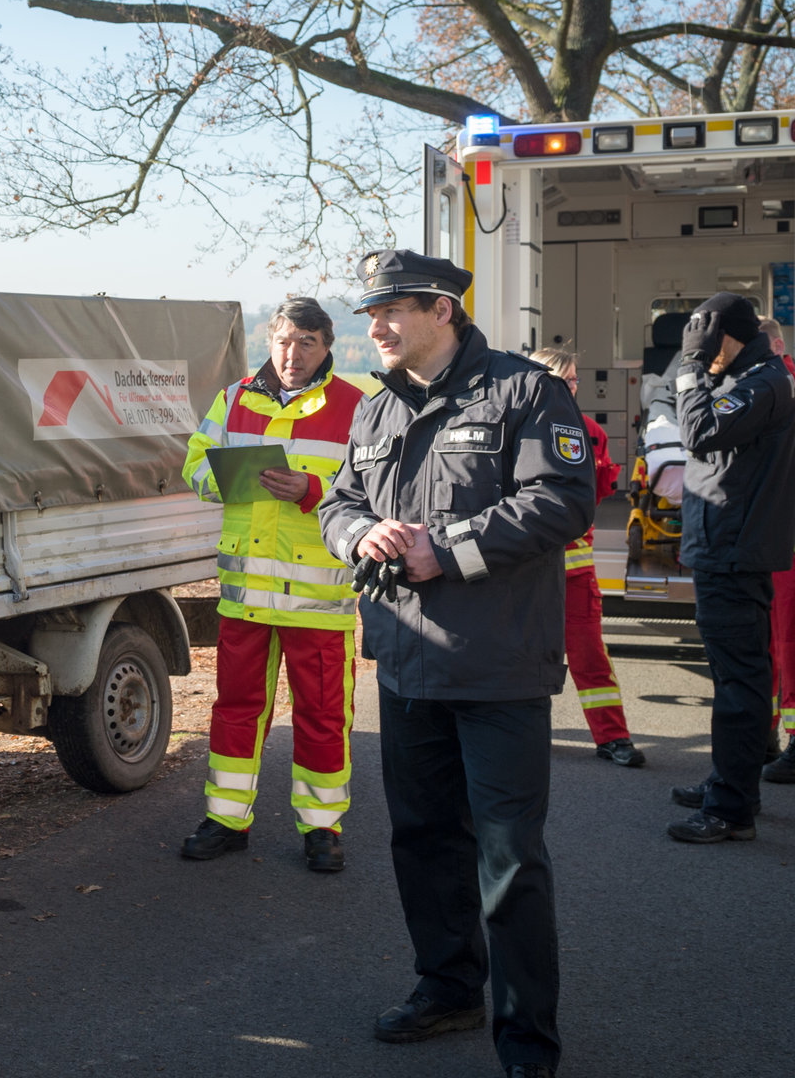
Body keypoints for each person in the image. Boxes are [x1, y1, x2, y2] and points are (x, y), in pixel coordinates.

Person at [318, 249, 593, 1078]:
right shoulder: (376, 409)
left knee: (508, 861)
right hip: (404, 665)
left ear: (442, 309)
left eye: (391, 311)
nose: (375, 328)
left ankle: (527, 1041)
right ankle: (446, 988)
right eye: (370, 314)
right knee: (423, 841)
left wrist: (452, 548)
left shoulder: (524, 391)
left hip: (498, 667)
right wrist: (358, 534)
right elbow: (341, 501)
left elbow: (562, 501)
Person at [179, 297, 366, 871]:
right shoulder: (234, 398)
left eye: (307, 343)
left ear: (327, 346)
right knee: (235, 709)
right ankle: (226, 818)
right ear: (270, 341)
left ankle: (322, 828)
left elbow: (375, 491)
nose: (293, 354)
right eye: (285, 341)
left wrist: (309, 489)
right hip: (246, 598)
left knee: (322, 717)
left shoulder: (357, 406)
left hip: (318, 600)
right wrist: (226, 476)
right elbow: (194, 467)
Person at [662, 295, 795, 840]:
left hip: (736, 553)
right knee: (731, 677)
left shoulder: (764, 383)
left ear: (729, 340)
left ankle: (732, 808)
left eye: (707, 347)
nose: (701, 358)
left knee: (739, 682)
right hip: (722, 547)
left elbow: (697, 433)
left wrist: (691, 370)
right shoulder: (747, 379)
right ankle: (730, 780)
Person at [527, 346, 645, 767]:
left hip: (575, 571)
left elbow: (597, 494)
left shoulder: (590, 431)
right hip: (523, 571)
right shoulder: (513, 429)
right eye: (562, 379)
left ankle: (613, 737)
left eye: (574, 379)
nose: (571, 387)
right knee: (524, 657)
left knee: (589, 655)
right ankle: (522, 737)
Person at [760, 315, 795, 783]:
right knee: (769, 642)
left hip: (783, 540)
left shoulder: (781, 389)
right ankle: (765, 734)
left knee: (785, 641)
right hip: (772, 539)